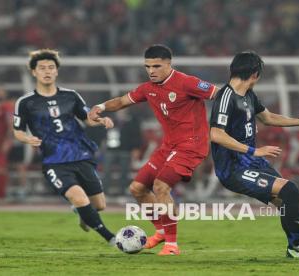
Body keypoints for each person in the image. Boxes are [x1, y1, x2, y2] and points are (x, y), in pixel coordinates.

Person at [89, 44, 217, 255]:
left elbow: (220, 94)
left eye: (156, 66)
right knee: (137, 189)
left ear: (169, 64)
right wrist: (100, 107)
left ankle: (172, 245)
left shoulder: (187, 82)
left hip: (191, 146)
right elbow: (121, 101)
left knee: (160, 186)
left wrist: (232, 121)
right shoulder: (148, 88)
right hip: (169, 145)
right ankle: (161, 233)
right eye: (148, 66)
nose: (151, 71)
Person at [209, 51, 299, 259]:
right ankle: (298, 244)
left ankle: (295, 246)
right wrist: (254, 150)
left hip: (251, 162)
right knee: (290, 190)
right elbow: (216, 134)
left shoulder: (248, 94)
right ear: (255, 74)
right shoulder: (225, 97)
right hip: (233, 169)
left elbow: (268, 117)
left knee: (285, 201)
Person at [13, 49, 116, 245]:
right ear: (34, 72)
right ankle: (112, 238)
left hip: (80, 155)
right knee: (78, 197)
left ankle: (81, 211)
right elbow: (17, 131)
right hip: (54, 161)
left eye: (51, 67)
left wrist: (101, 121)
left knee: (99, 205)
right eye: (42, 68)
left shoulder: (70, 96)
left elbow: (87, 118)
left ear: (57, 71)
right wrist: (27, 139)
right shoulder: (25, 102)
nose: (47, 71)